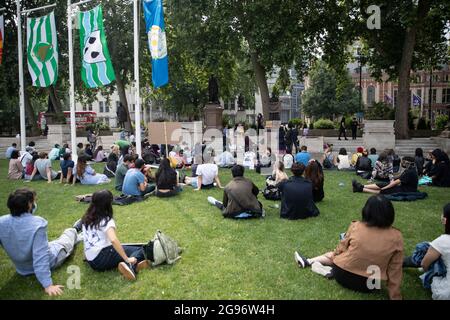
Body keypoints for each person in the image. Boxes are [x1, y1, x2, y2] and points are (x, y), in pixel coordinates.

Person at [294, 195, 403, 300]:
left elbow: (340, 249)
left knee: (336, 255)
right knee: (342, 256)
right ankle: (314, 264)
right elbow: (395, 270)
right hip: (371, 285)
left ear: (366, 211)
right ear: (390, 214)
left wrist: (334, 256)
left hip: (342, 275)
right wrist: (395, 297)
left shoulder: (356, 226)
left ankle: (310, 261)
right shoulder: (397, 237)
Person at [0, 188, 82, 296]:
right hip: (52, 259)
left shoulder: (2, 221)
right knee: (66, 239)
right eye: (34, 201)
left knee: (55, 243)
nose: (35, 203)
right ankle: (76, 229)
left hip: (22, 268)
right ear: (29, 204)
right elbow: (41, 257)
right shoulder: (37, 223)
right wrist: (48, 285)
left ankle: (78, 235)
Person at [81, 190, 150, 280]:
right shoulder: (106, 220)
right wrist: (126, 259)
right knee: (141, 249)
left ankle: (137, 265)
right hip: (102, 257)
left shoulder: (86, 217)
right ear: (108, 204)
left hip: (91, 260)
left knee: (132, 246)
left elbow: (87, 237)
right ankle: (130, 266)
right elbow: (113, 240)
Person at [403, 203, 450, 300]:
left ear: (444, 220)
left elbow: (424, 264)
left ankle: (398, 262)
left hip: (446, 291)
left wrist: (428, 271)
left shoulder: (443, 241)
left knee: (424, 249)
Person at [353, 156, 418, 194]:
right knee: (383, 184)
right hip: (403, 187)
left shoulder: (410, 172)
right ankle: (361, 186)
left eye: (404, 162)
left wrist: (385, 187)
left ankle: (361, 188)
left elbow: (396, 182)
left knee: (385, 190)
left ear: (407, 163)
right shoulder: (410, 170)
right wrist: (389, 183)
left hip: (407, 190)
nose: (402, 163)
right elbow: (398, 178)